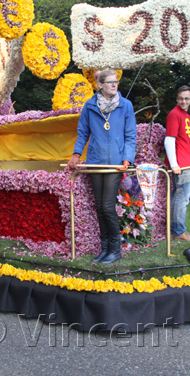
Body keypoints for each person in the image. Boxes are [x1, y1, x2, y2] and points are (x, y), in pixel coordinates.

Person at [67, 69, 137, 264]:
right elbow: (83, 133)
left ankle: (116, 249)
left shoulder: (126, 106)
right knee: (100, 207)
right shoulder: (89, 106)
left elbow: (131, 135)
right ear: (100, 85)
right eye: (110, 82)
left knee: (107, 206)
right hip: (94, 163)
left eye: (116, 82)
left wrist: (127, 159)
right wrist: (76, 154)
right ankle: (105, 249)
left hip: (115, 165)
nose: (114, 85)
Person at [164, 85, 190, 242]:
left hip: (186, 163)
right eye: (181, 98)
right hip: (180, 165)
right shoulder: (174, 115)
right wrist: (174, 164)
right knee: (181, 198)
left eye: (186, 98)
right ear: (177, 99)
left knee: (179, 197)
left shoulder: (186, 116)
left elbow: (187, 141)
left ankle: (174, 230)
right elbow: (169, 140)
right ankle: (178, 231)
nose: (183, 101)